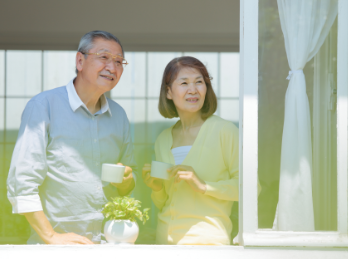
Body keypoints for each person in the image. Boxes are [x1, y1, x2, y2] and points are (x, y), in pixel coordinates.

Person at [6, 31, 137, 244]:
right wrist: (51, 236)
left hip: (108, 245)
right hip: (54, 249)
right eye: (104, 57)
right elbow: (21, 182)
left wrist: (127, 181)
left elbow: (130, 180)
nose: (112, 68)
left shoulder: (119, 115)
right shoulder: (43, 106)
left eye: (119, 61)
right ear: (80, 60)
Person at [142, 56, 240, 245]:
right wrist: (157, 189)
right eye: (184, 83)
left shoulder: (225, 131)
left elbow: (250, 189)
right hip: (165, 241)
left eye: (199, 82)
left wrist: (204, 186)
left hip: (208, 242)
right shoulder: (163, 139)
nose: (193, 90)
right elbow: (166, 202)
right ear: (169, 92)